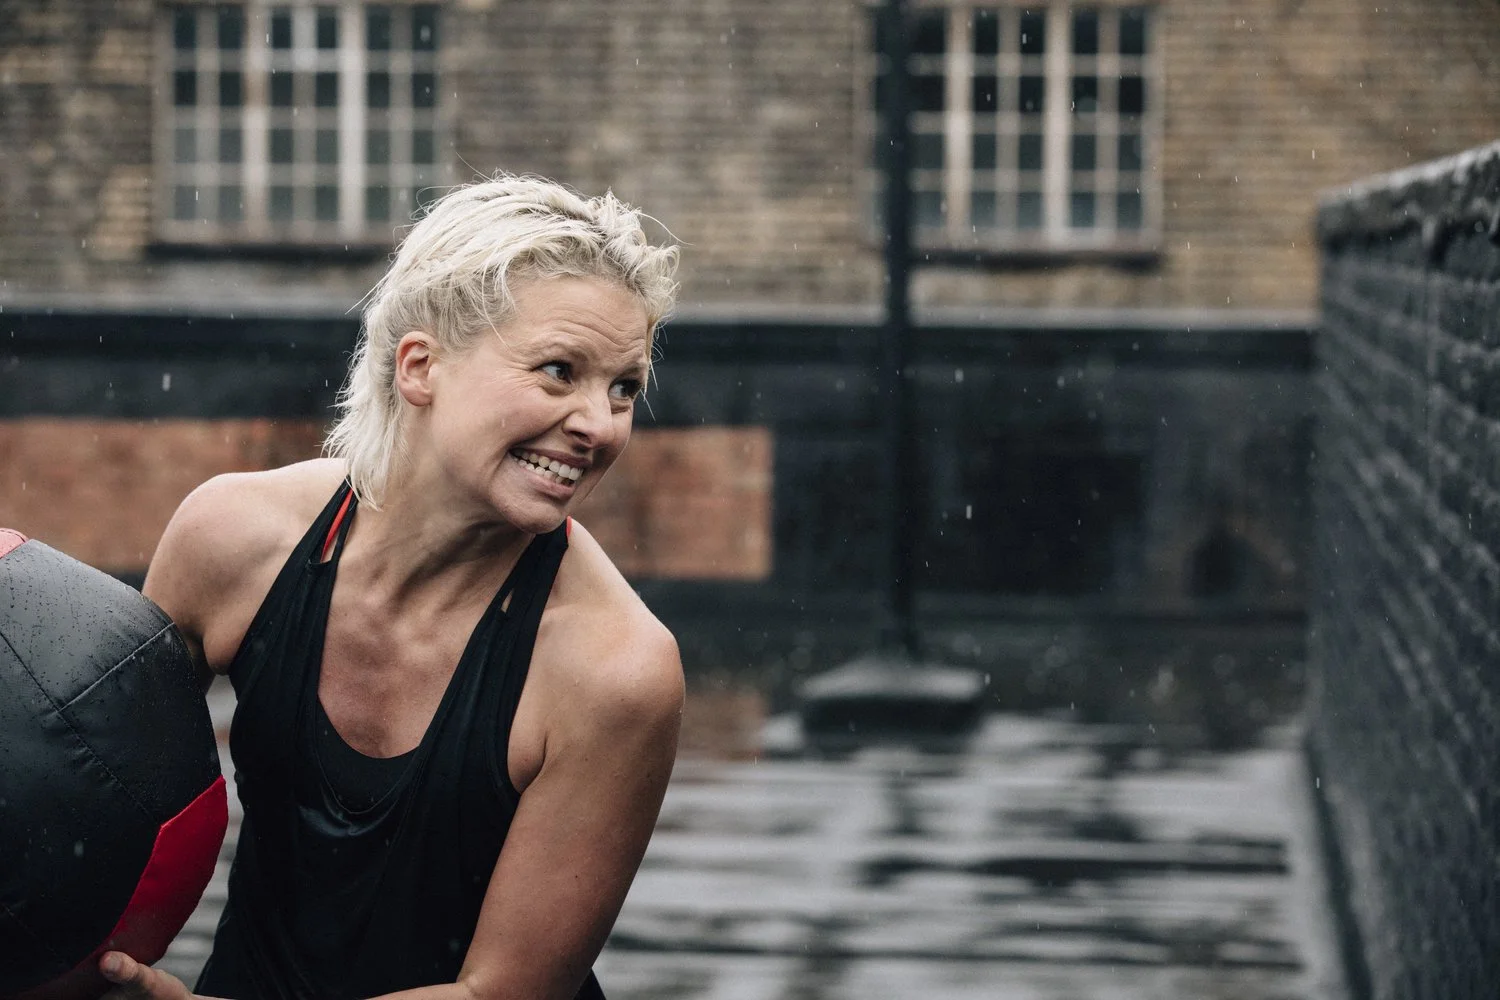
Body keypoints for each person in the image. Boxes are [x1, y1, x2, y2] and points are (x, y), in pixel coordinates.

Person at [99, 175, 684, 1000]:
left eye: (623, 386)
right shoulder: (234, 540)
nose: (601, 423)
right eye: (560, 372)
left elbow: (498, 994)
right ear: (420, 366)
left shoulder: (613, 669)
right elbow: (95, 801)